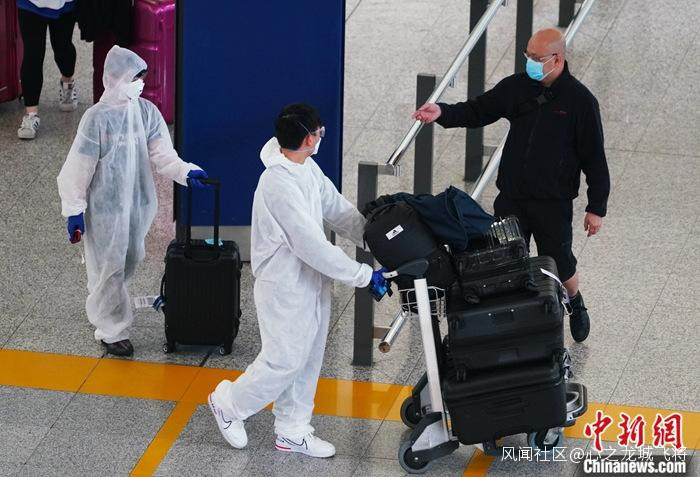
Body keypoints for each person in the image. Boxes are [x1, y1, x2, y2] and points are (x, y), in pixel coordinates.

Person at [208, 104, 388, 458]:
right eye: (319, 133)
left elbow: (336, 208)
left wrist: (375, 239)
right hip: (283, 287)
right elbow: (311, 245)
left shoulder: (306, 167)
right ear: (309, 138)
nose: (321, 137)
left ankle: (292, 429)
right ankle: (230, 403)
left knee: (308, 357)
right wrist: (363, 275)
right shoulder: (277, 184)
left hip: (311, 281)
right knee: (284, 360)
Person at [414, 28, 610, 343]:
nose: (530, 63)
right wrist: (442, 113)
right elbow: (478, 110)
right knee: (505, 259)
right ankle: (514, 322)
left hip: (552, 202)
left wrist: (596, 207)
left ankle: (574, 300)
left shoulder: (581, 102)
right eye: (527, 56)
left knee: (558, 262)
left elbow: (594, 157)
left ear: (557, 59)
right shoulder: (517, 87)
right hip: (512, 197)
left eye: (536, 58)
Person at [56, 46, 209, 357]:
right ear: (116, 78)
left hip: (137, 207)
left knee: (125, 263)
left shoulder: (146, 112)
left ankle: (106, 305)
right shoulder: (96, 119)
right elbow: (78, 168)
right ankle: (111, 331)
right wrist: (74, 210)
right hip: (104, 210)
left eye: (142, 78)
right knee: (109, 268)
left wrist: (185, 171)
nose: (140, 84)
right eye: (135, 78)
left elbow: (163, 155)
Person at [16, 0, 79, 140]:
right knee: (33, 52)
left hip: (64, 4)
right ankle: (31, 115)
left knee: (63, 48)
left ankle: (67, 81)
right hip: (30, 3)